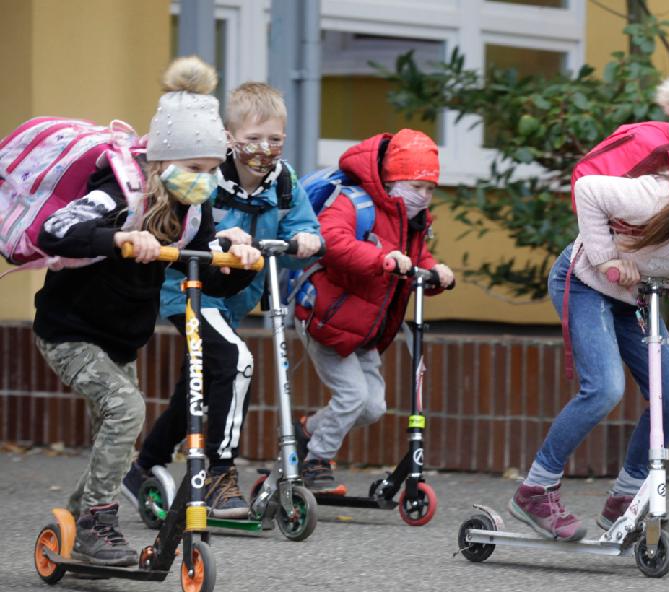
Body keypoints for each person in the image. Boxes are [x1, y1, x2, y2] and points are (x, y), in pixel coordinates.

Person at [33, 57, 260, 565]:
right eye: (195, 171)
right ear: (163, 162)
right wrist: (118, 237)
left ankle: (76, 521)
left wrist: (239, 256)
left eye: (211, 171)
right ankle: (95, 523)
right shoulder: (120, 191)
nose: (206, 182)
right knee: (126, 410)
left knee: (112, 430)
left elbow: (210, 273)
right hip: (69, 333)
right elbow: (54, 230)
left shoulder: (191, 210)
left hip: (120, 339)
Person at [511, 78, 669, 541]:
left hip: (635, 297)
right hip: (583, 283)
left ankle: (624, 496)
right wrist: (605, 260)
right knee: (603, 389)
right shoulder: (653, 194)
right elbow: (589, 192)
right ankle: (535, 490)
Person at [122, 81, 322, 519]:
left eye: (274, 139)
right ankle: (218, 472)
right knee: (235, 361)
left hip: (236, 298)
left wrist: (305, 240)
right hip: (188, 292)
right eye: (252, 139)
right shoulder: (208, 177)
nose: (263, 148)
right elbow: (180, 222)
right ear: (230, 139)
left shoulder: (285, 182)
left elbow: (304, 227)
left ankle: (142, 468)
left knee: (194, 387)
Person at [293, 129, 454, 491]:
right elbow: (331, 241)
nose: (424, 197)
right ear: (392, 179)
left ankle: (306, 431)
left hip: (367, 330)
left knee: (372, 407)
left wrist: (436, 274)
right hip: (329, 319)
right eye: (417, 187)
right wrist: (381, 259)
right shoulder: (354, 202)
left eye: (430, 190)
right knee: (351, 397)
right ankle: (315, 461)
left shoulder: (414, 221)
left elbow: (416, 260)